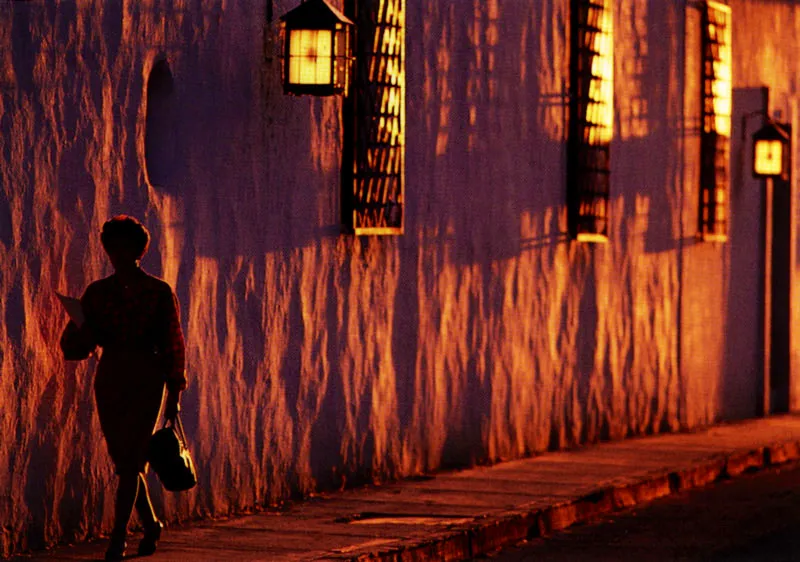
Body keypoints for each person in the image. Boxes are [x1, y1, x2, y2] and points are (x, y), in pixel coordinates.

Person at [60, 215, 186, 561]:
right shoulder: (97, 292)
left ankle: (118, 537)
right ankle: (152, 524)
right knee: (125, 459)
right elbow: (77, 348)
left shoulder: (159, 292)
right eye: (112, 246)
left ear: (138, 250)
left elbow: (174, 343)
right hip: (111, 374)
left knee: (131, 462)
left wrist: (175, 392)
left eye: (124, 246)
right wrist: (80, 326)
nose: (117, 253)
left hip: (147, 375)